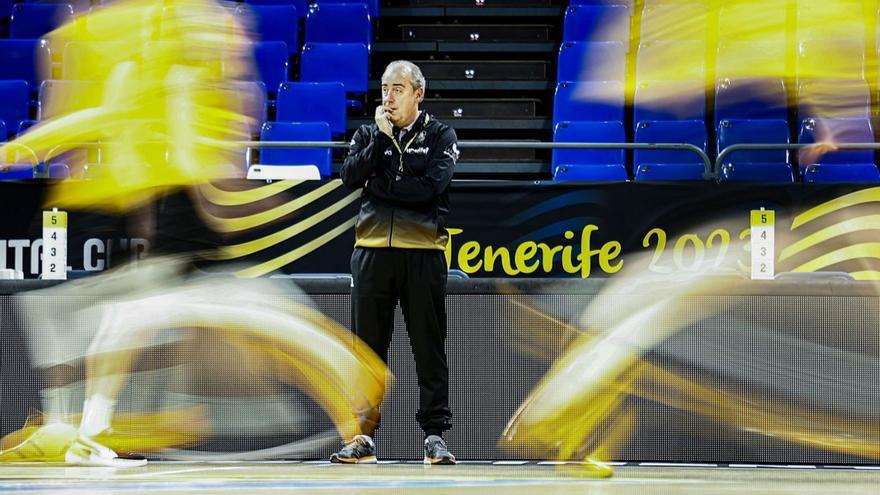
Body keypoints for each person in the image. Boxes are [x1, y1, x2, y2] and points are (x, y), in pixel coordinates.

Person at [334, 60, 459, 465]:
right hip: (370, 253)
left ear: (418, 94)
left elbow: (429, 190)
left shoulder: (441, 135)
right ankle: (363, 435)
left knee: (428, 346)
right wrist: (379, 145)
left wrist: (381, 181)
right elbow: (349, 177)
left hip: (423, 254)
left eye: (398, 89)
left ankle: (435, 436)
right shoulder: (369, 134)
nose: (388, 97)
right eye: (385, 88)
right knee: (367, 350)